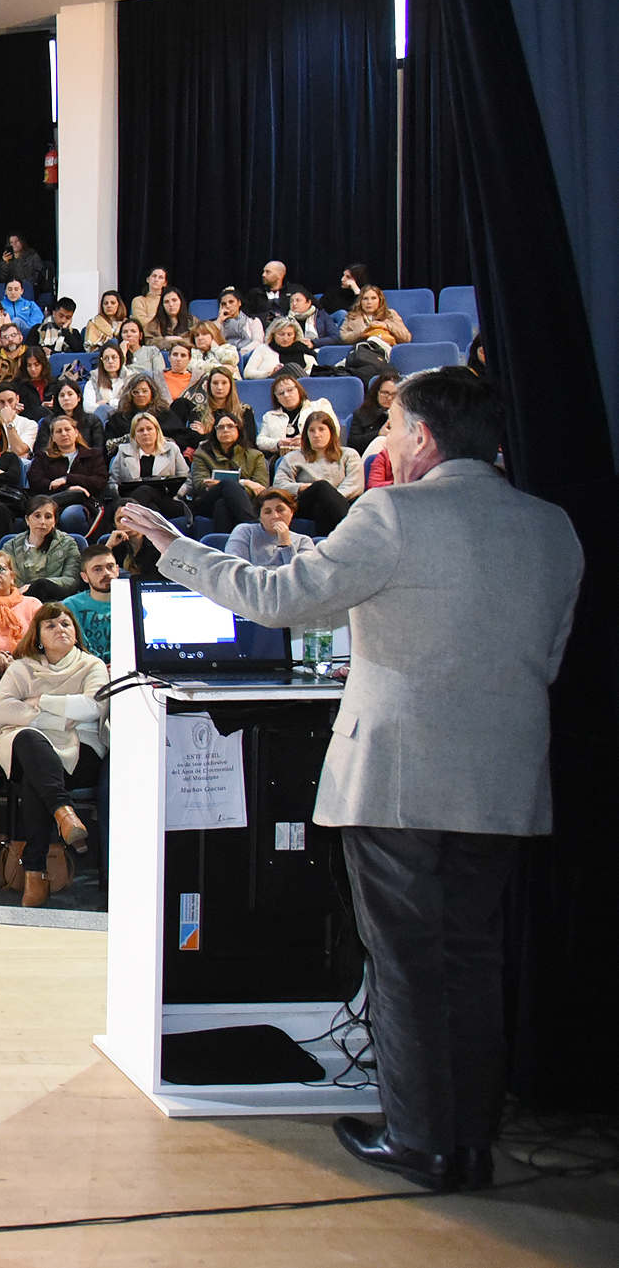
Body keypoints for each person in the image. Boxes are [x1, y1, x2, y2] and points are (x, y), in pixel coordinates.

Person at [122, 370, 584, 1188]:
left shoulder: (395, 514)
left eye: (395, 426)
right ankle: (469, 1139)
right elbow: (544, 660)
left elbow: (277, 595)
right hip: (505, 780)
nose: (385, 442)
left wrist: (174, 547)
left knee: (406, 961)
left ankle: (419, 1140)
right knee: (474, 959)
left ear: (427, 439)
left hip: (401, 780)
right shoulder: (553, 528)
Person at [0, 603, 108, 907]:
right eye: (51, 626)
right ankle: (63, 814)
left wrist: (42, 700)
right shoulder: (21, 667)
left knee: (34, 777)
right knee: (29, 741)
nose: (60, 630)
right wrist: (64, 715)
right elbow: (3, 712)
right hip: (30, 746)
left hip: (80, 752)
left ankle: (35, 870)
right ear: (38, 636)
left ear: (76, 633)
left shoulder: (91, 666)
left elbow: (93, 707)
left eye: (66, 624)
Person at [58, 543, 122, 661]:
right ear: (84, 577)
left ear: (117, 570)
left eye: (110, 567)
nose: (106, 573)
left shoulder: (134, 602)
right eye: (97, 569)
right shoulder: (69, 606)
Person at [223, 489, 317, 567]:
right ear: (260, 517)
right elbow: (234, 569)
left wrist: (286, 546)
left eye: (280, 510)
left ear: (291, 512)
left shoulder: (303, 541)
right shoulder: (244, 532)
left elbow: (301, 578)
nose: (275, 516)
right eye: (267, 512)